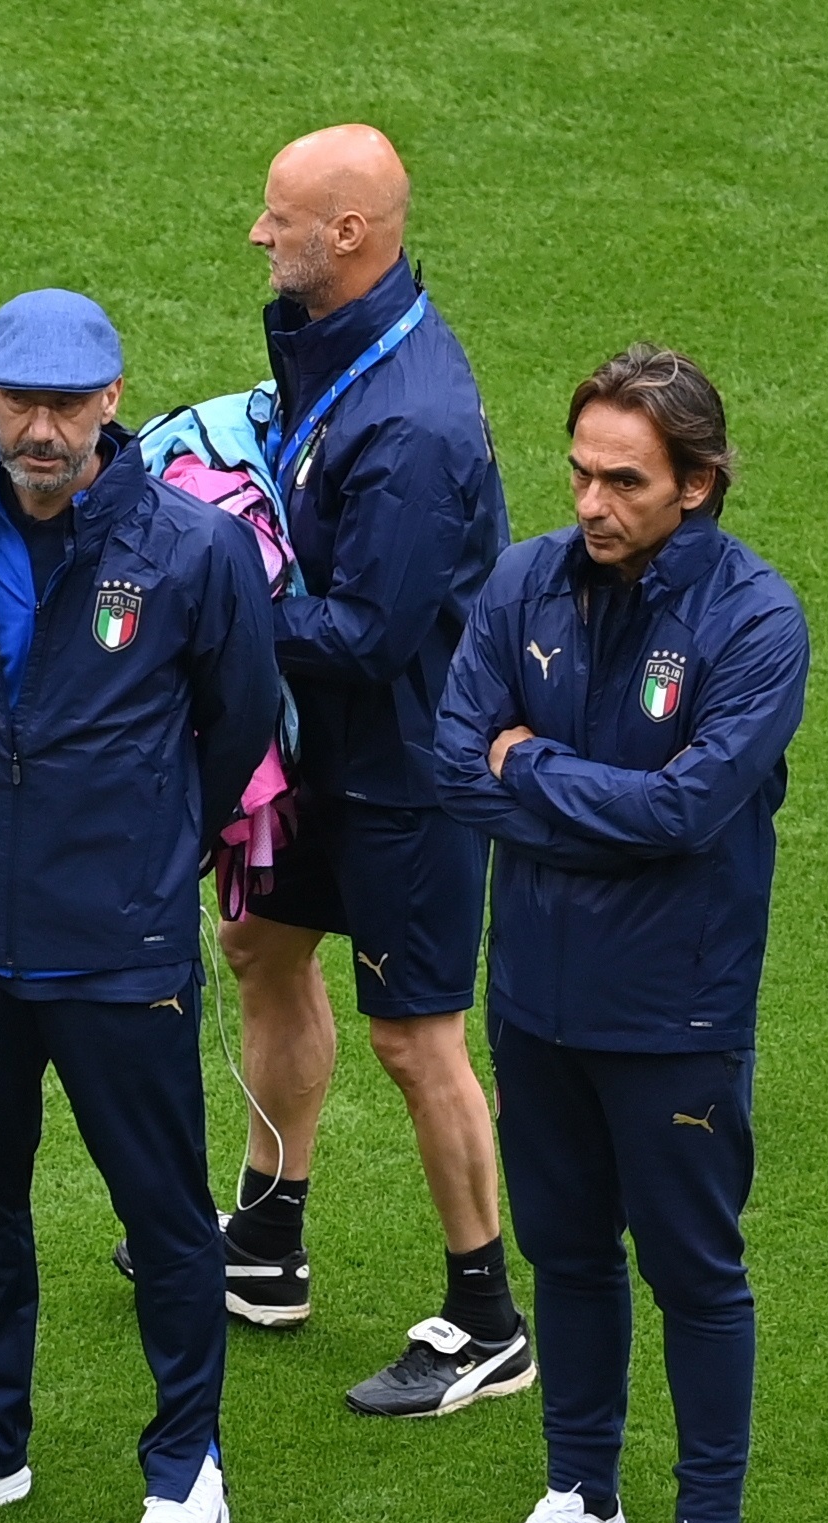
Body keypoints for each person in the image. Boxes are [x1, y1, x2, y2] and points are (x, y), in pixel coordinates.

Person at [0, 290, 281, 1523]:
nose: (41, 429)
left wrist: (148, 846)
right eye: (18, 400)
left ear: (111, 401)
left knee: (162, 1213)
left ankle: (185, 1467)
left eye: (67, 405)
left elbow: (240, 723)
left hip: (119, 947)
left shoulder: (195, 554)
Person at [440, 349, 809, 1523]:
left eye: (626, 480)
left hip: (675, 1016)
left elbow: (692, 808)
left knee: (695, 1272)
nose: (593, 503)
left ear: (700, 485)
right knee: (567, 1253)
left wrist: (531, 767)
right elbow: (452, 764)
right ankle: (583, 1503)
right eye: (582, 471)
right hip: (535, 1000)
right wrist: (589, 802)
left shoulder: (756, 623)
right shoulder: (523, 579)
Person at [220, 127, 524, 1413]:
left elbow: (366, 634)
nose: (258, 233)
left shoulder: (415, 425)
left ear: (350, 235)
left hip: (409, 771)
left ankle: (486, 1315)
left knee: (418, 1037)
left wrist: (213, 591)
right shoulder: (335, 341)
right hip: (324, 756)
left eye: (279, 217)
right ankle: (266, 1237)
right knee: (263, 954)